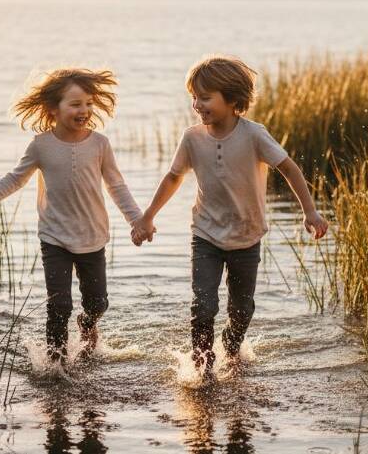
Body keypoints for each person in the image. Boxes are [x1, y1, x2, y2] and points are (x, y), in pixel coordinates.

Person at [133, 55, 328, 375]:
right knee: (203, 306)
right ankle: (202, 367)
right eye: (194, 97)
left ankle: (232, 348)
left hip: (246, 236)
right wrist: (147, 216)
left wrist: (310, 211)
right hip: (205, 235)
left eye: (205, 97)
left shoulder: (254, 135)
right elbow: (172, 177)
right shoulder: (191, 137)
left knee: (241, 310)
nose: (197, 104)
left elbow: (288, 168)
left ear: (233, 99)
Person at [0, 68, 148, 366]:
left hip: (93, 237)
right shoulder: (41, 145)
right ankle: (55, 364)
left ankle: (88, 325)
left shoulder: (99, 144)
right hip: (55, 238)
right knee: (58, 305)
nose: (84, 110)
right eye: (76, 104)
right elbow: (15, 179)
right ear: (54, 108)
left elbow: (116, 185)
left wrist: (137, 220)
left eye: (88, 103)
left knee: (97, 303)